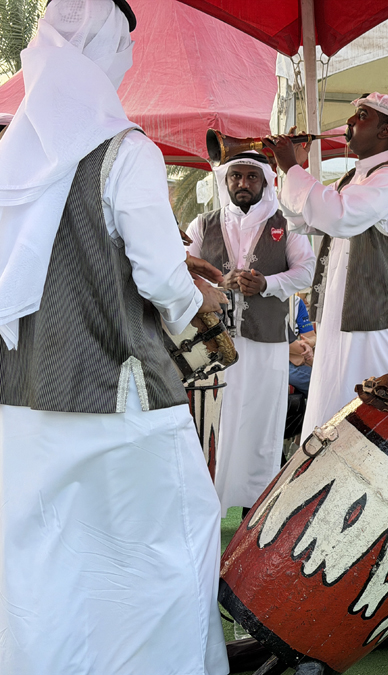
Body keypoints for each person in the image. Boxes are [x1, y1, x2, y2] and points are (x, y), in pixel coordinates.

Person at [0, 2, 228, 672]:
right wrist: (198, 301)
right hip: (120, 395)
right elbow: (159, 278)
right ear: (107, 50)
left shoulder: (13, 155)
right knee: (172, 542)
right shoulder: (127, 151)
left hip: (24, 398)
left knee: (47, 562)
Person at [265, 93, 388, 441]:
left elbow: (339, 215)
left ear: (386, 130)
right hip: (344, 321)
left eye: (363, 115)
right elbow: (301, 219)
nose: (350, 121)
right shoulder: (352, 180)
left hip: (381, 325)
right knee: (333, 412)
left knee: (377, 427)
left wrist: (292, 169)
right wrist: (292, 170)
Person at [185, 150, 315, 516]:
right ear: (226, 180)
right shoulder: (203, 224)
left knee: (260, 423)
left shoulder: (284, 223)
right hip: (214, 343)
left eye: (251, 177)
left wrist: (268, 284)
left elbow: (306, 271)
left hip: (266, 345)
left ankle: (253, 508)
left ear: (264, 182)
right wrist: (215, 284)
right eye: (236, 176)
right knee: (215, 421)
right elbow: (180, 270)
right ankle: (207, 503)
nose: (243, 183)